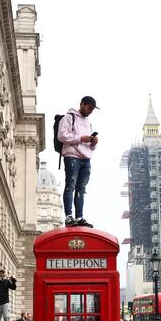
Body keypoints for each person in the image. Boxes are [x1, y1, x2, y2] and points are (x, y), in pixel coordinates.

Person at [57, 96, 99, 228]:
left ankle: (79, 216)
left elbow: (88, 145)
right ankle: (69, 216)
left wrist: (93, 143)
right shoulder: (69, 117)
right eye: (89, 108)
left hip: (86, 159)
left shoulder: (88, 122)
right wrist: (81, 138)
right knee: (70, 186)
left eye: (92, 109)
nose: (90, 111)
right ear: (82, 104)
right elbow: (62, 136)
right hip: (72, 157)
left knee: (81, 189)